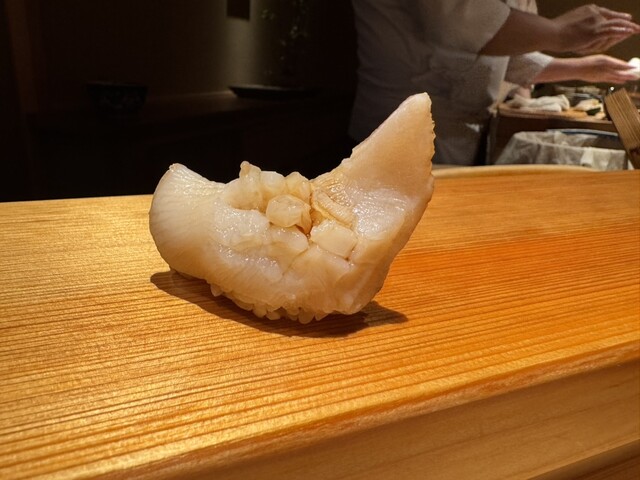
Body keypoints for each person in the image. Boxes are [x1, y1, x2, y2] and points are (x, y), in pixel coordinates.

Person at [348, 1, 640, 166]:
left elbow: (500, 57)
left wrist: (585, 68)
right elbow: (459, 26)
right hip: (393, 133)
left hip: (465, 134)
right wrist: (559, 32)